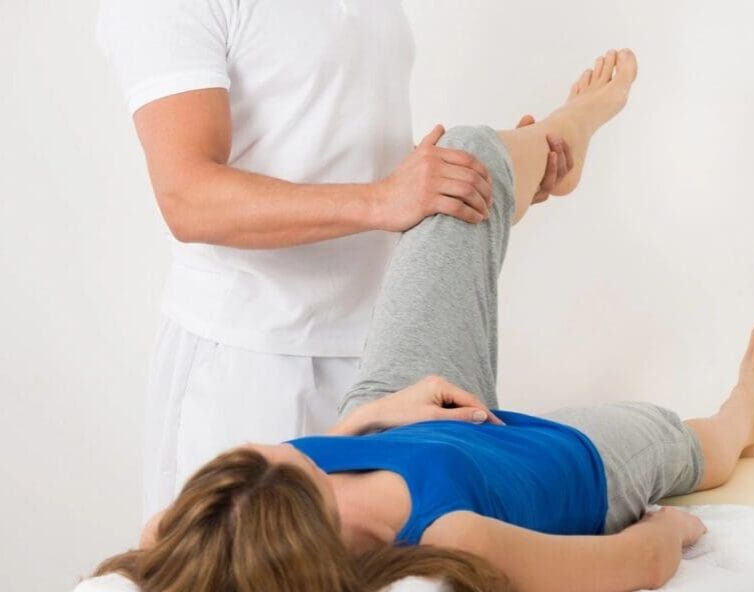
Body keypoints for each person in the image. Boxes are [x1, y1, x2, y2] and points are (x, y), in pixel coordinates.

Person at [95, 49, 754, 592]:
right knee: (681, 441)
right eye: (295, 461)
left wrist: (371, 418)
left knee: (459, 165)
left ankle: (562, 136)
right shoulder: (454, 538)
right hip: (559, 461)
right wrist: (668, 533)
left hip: (401, 408)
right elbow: (645, 559)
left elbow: (163, 532)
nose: (287, 447)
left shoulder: (247, 514)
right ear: (318, 527)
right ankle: (749, 414)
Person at [95, 0, 573, 523]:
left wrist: (466, 184)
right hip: (253, 364)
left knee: (406, 581)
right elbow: (188, 197)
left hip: (384, 353)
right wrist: (382, 199)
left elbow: (345, 150)